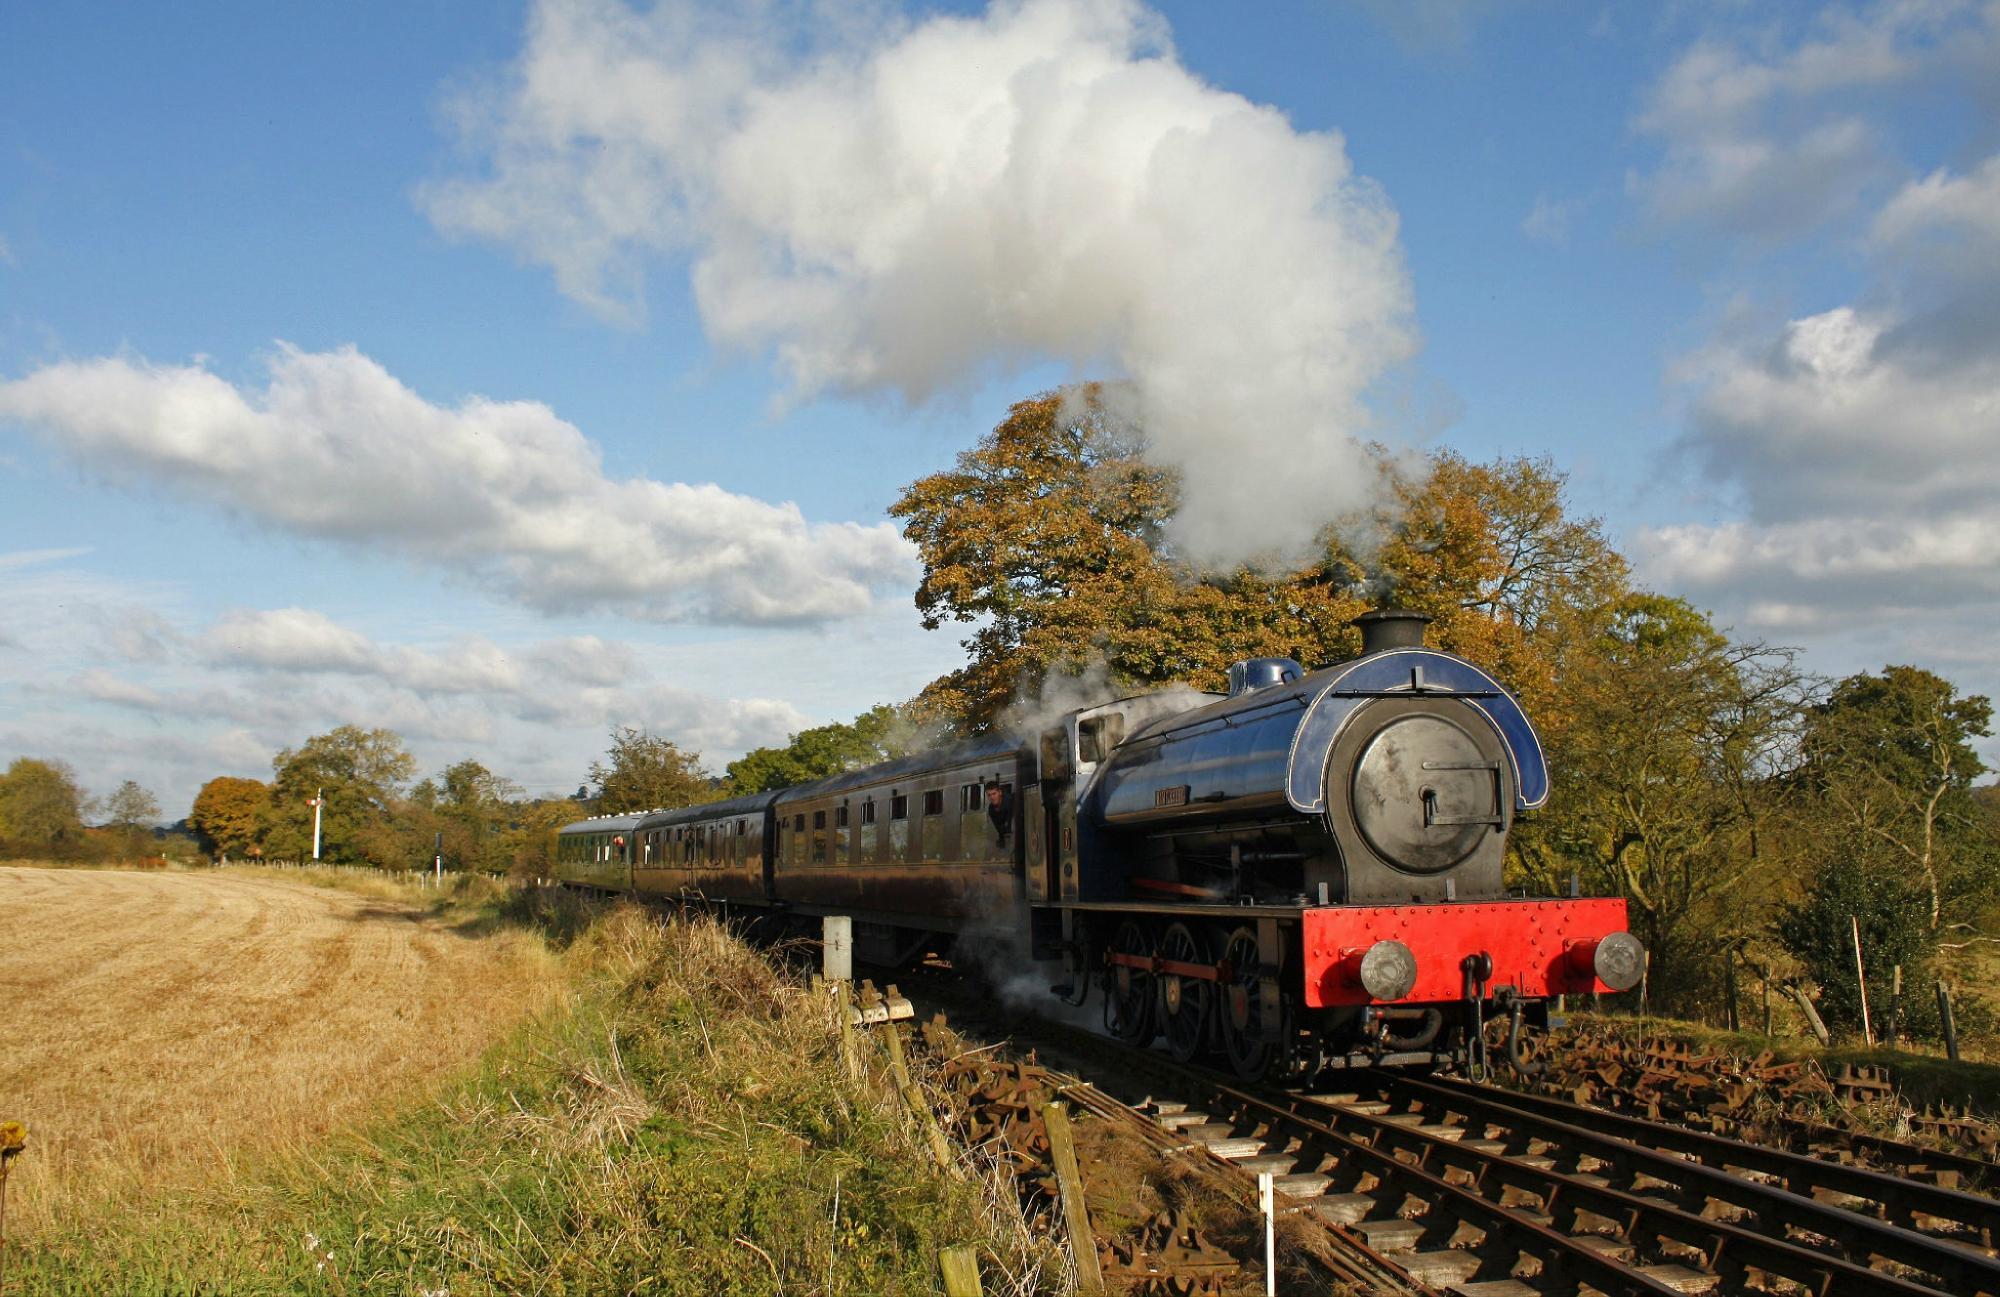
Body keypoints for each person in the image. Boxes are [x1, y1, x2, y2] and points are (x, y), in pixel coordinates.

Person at [985, 781, 1014, 848]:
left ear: (1000, 792)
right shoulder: (991, 809)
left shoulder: (1010, 801)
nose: (992, 797)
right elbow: (999, 829)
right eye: (989, 795)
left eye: (994, 794)